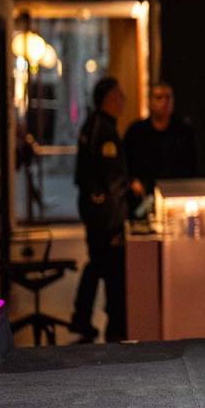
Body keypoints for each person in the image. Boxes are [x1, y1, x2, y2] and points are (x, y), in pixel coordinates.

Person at [69, 77, 130, 343]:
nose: (123, 100)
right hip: (103, 214)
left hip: (94, 210)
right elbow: (111, 181)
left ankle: (82, 317)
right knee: (109, 265)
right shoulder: (104, 130)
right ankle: (111, 322)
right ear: (108, 99)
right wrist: (117, 222)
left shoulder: (93, 125)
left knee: (98, 263)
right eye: (119, 95)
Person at [122, 82, 198, 213]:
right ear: (150, 101)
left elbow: (193, 165)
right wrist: (132, 181)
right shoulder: (136, 131)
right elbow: (124, 163)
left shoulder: (184, 132)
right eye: (159, 98)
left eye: (168, 97)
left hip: (176, 198)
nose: (164, 102)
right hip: (143, 199)